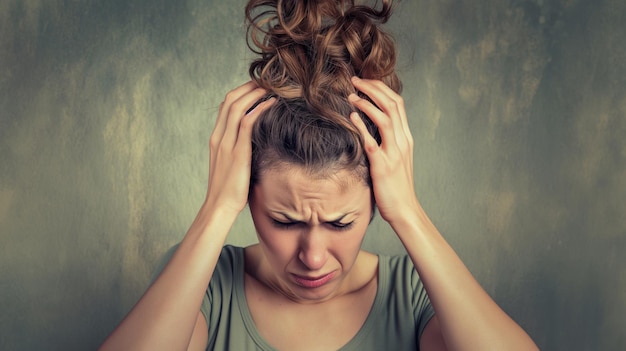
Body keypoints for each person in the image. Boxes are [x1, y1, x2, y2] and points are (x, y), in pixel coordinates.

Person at [100, 0, 539, 350]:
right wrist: (216, 209)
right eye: (285, 221)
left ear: (375, 204)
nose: (313, 258)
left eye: (340, 223)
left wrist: (409, 213)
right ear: (248, 198)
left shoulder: (415, 295)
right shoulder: (205, 283)